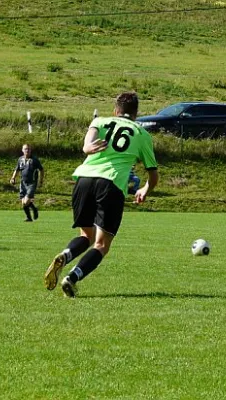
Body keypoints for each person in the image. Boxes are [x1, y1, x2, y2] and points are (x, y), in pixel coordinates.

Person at [43, 92, 159, 298]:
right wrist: (144, 190)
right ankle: (72, 277)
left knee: (85, 235)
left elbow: (87, 144)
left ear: (115, 110)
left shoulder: (101, 121)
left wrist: (88, 147)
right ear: (136, 113)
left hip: (83, 179)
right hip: (111, 184)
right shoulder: (142, 134)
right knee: (101, 244)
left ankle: (65, 254)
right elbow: (153, 174)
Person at [9, 144, 44, 222]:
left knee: (26, 201)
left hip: (32, 183)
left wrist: (40, 181)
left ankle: (34, 210)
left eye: (28, 149)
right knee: (23, 203)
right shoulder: (20, 159)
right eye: (25, 149)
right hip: (23, 183)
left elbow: (41, 170)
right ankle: (29, 218)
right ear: (22, 150)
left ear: (31, 150)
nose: (27, 151)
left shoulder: (34, 160)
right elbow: (17, 170)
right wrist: (13, 178)